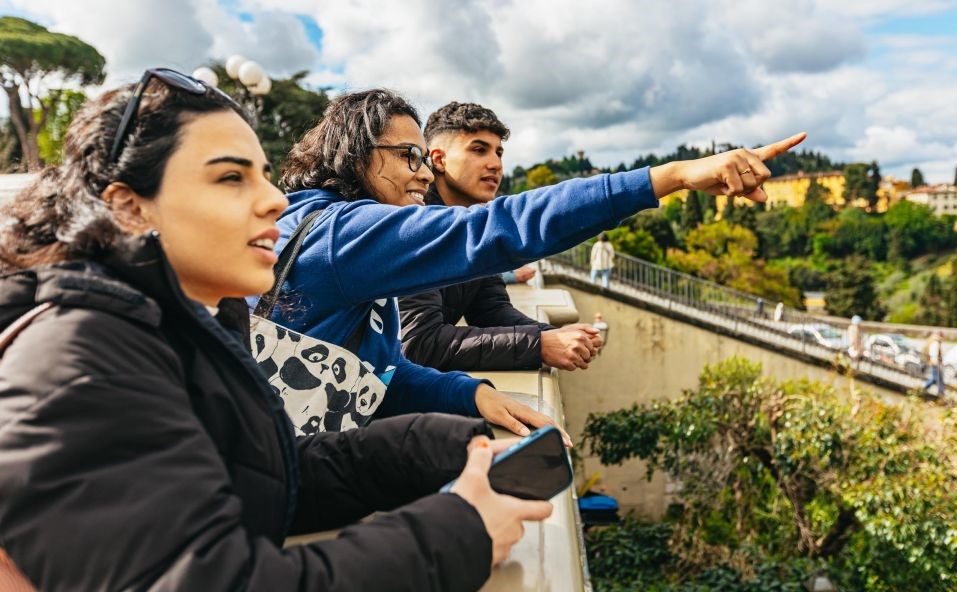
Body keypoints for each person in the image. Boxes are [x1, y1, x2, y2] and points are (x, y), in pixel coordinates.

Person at [0, 70, 550, 591]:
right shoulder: (78, 363)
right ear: (129, 208)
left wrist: (440, 445)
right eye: (231, 177)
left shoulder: (191, 323)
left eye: (263, 174)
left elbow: (264, 479)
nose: (274, 201)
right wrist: (462, 533)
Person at [269, 88, 803, 439]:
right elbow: (503, 231)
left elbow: (377, 371)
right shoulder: (346, 232)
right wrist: (670, 177)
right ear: (357, 154)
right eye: (409, 157)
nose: (423, 175)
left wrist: (470, 392)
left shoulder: (340, 231)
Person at [399, 102, 603, 372]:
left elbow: (491, 310)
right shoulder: (415, 226)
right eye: (479, 149)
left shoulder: (477, 226)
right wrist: (539, 344)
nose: (495, 164)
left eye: (499, 152)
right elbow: (419, 344)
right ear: (438, 159)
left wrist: (554, 335)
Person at [922, 331, 945, 397]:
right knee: (936, 378)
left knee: (938, 378)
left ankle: (940, 392)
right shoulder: (936, 343)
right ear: (941, 336)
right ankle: (925, 388)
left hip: (935, 363)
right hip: (935, 363)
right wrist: (935, 362)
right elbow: (933, 353)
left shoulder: (935, 342)